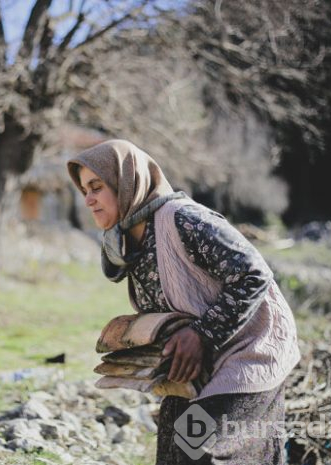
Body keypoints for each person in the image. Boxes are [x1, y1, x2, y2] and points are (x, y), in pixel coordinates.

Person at [67, 140, 301, 465]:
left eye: (96, 187)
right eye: (84, 190)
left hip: (250, 354)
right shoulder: (125, 240)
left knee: (197, 446)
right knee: (174, 451)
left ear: (125, 183)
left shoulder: (183, 219)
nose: (89, 199)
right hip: (196, 366)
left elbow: (254, 275)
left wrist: (201, 334)